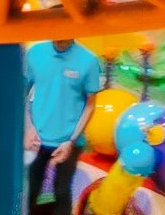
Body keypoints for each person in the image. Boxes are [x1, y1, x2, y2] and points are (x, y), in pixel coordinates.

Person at [23, 37, 108, 213]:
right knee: (29, 189)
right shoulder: (35, 53)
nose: (61, 39)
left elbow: (90, 105)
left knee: (62, 191)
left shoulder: (89, 60)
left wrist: (71, 140)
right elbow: (21, 93)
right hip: (36, 138)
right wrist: (28, 127)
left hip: (69, 141)